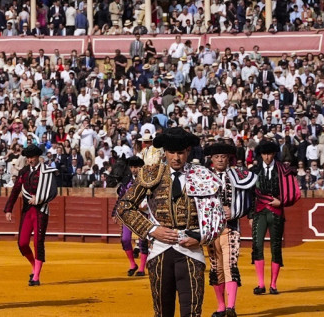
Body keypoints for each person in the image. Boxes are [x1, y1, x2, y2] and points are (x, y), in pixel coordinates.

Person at [114, 127, 224, 317]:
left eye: (180, 152)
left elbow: (218, 215)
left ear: (188, 151)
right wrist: (151, 229)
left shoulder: (202, 175)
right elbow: (124, 207)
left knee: (192, 312)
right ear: (164, 152)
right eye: (171, 152)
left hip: (191, 250)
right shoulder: (151, 174)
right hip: (160, 250)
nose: (176, 158)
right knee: (162, 311)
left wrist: (201, 237)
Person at [203, 142, 258, 317]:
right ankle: (221, 307)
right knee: (216, 268)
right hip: (211, 230)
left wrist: (234, 211)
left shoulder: (238, 176)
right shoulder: (204, 177)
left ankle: (231, 307)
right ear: (211, 159)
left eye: (223, 157)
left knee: (230, 266)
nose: (220, 160)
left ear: (228, 159)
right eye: (217, 157)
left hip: (231, 227)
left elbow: (249, 199)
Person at [248, 140, 301, 295]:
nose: (267, 157)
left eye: (270, 154)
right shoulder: (254, 171)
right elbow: (250, 195)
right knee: (257, 246)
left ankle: (273, 284)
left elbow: (293, 192)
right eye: (264, 154)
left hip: (276, 212)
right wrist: (250, 215)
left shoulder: (283, 171)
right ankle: (261, 284)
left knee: (276, 247)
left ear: (274, 154)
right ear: (260, 155)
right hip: (259, 212)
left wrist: (282, 201)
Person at [3, 143, 59, 285]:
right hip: (27, 210)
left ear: (38, 157)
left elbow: (52, 191)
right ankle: (34, 266)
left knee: (38, 242)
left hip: (41, 211)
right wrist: (8, 209)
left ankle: (36, 277)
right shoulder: (24, 171)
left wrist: (39, 198)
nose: (30, 160)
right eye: (28, 158)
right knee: (22, 243)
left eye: (32, 157)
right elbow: (16, 190)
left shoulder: (46, 172)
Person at [113, 156, 150, 277]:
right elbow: (121, 198)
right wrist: (115, 212)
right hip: (128, 214)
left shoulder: (147, 180)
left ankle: (142, 268)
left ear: (141, 167)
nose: (134, 169)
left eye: (136, 167)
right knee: (125, 239)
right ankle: (132, 264)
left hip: (143, 213)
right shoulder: (126, 181)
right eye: (132, 167)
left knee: (143, 240)